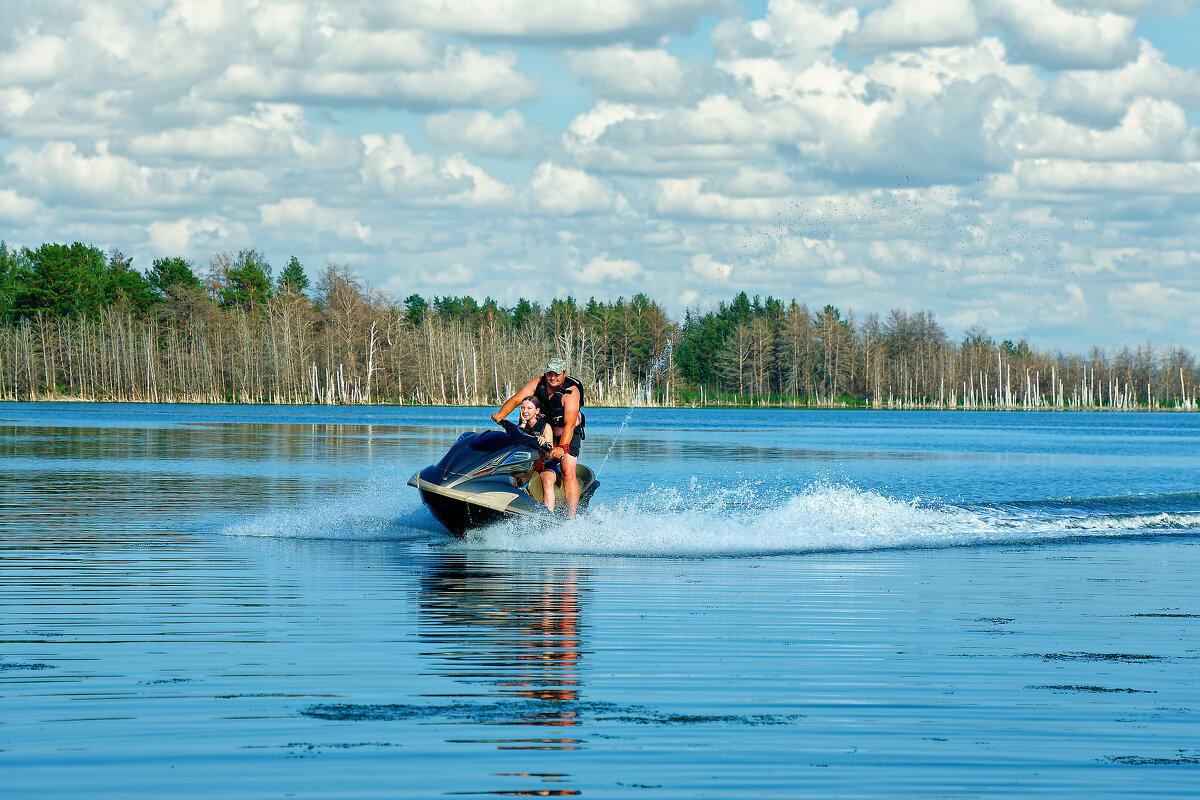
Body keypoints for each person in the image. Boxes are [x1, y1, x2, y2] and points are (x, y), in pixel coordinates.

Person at [492, 357, 585, 518]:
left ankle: (571, 517)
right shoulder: (538, 383)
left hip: (567, 434)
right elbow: (516, 399)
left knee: (567, 470)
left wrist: (561, 448)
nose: (552, 377)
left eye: (557, 374)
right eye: (550, 373)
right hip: (544, 431)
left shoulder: (571, 393)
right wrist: (501, 414)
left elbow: (569, 424)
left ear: (564, 374)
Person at [514, 396, 560, 512]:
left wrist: (544, 443)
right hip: (528, 465)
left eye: (529, 408)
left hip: (546, 465)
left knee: (548, 481)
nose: (525, 411)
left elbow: (550, 454)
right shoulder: (519, 428)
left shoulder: (545, 427)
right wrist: (523, 425)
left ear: (537, 411)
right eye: (522, 408)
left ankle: (549, 514)